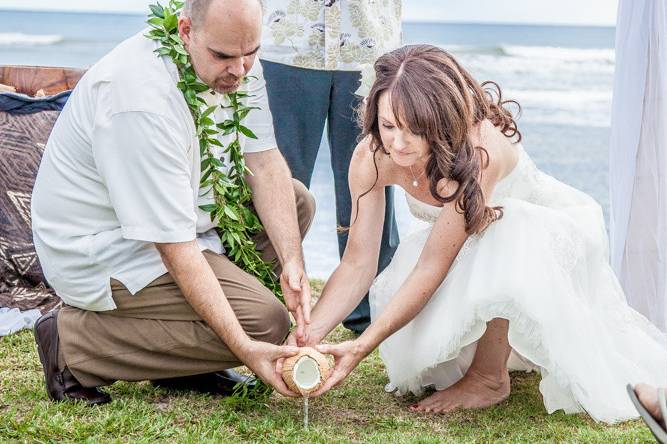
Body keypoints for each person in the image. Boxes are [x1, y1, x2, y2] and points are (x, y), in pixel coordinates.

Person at [294, 44, 667, 424]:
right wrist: (308, 336)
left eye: (415, 129)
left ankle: (489, 376)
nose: (398, 143)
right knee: (426, 341)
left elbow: (433, 266)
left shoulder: (478, 151)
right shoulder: (372, 157)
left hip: (548, 245)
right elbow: (358, 262)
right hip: (468, 249)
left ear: (443, 120)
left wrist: (361, 346)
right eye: (389, 125)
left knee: (503, 228)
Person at [30, 0, 314, 405]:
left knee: (296, 201)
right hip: (105, 246)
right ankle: (72, 344)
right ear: (185, 31)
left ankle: (191, 364)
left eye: (252, 53)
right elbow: (174, 246)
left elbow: (264, 162)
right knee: (264, 324)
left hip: (181, 218)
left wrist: (293, 265)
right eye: (224, 56)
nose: (240, 69)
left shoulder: (234, 55)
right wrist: (247, 351)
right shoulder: (139, 99)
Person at [259, 0, 402, 334]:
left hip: (369, 39)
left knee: (374, 174)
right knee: (276, 180)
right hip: (287, 38)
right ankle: (257, 301)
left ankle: (371, 309)